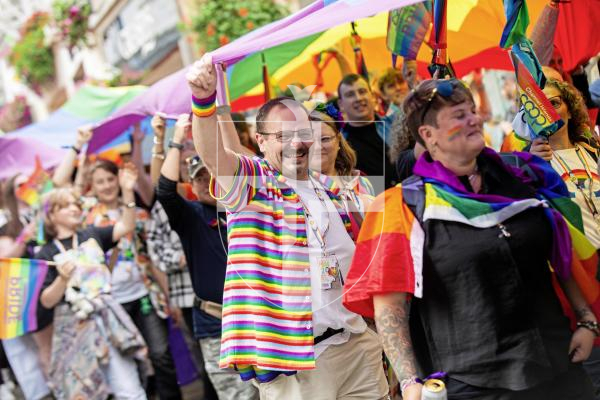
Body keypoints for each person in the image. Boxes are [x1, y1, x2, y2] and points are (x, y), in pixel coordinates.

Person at [343, 78, 599, 400]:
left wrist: (586, 319)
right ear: (428, 135)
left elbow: (558, 249)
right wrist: (409, 383)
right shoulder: (401, 206)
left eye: (473, 112)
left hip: (558, 363)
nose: (474, 120)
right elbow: (388, 307)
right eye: (459, 116)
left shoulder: (520, 175)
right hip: (475, 383)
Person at [186, 55, 389, 400]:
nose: (297, 143)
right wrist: (204, 104)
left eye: (302, 133)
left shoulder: (329, 186)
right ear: (261, 142)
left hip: (356, 344)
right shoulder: (253, 183)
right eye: (283, 135)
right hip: (297, 363)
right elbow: (215, 157)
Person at [156, 114, 258, 400]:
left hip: (261, 317)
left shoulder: (246, 206)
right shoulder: (191, 217)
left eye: (209, 173)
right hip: (217, 325)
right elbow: (164, 190)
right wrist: (175, 138)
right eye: (198, 177)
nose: (205, 182)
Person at [36, 169, 149, 399]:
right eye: (66, 205)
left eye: (76, 204)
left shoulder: (91, 234)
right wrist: (62, 279)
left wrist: (127, 192)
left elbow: (126, 226)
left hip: (107, 321)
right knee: (87, 393)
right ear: (51, 215)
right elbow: (46, 300)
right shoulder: (45, 252)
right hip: (75, 330)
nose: (75, 208)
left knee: (129, 388)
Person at [337, 73, 399, 191]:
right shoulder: (340, 147)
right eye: (350, 95)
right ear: (341, 104)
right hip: (377, 206)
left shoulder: (394, 124)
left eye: (362, 91)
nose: (358, 98)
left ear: (372, 96)